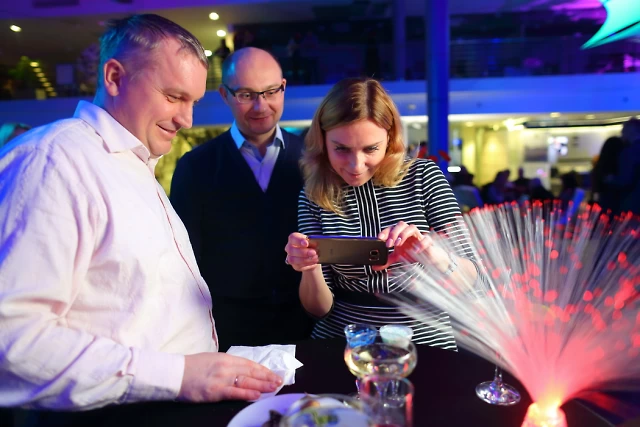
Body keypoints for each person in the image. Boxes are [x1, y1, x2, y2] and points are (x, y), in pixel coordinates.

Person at [0, 15, 282, 411]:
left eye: (193, 102)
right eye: (173, 96)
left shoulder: (133, 163)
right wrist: (179, 375)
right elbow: (11, 339)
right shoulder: (53, 160)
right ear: (115, 77)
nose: (186, 119)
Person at [283, 77, 479, 351]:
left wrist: (433, 254)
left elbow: (475, 279)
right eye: (341, 149)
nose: (356, 165)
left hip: (423, 340)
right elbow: (318, 310)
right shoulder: (314, 193)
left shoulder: (423, 177)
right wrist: (310, 267)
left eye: (370, 149)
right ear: (323, 141)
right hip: (344, 340)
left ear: (390, 138)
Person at [170, 47, 313, 352]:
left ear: (283, 88)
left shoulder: (314, 160)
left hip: (304, 325)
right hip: (227, 329)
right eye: (246, 95)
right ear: (224, 94)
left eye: (270, 92)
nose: (261, 105)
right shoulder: (195, 166)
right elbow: (183, 262)